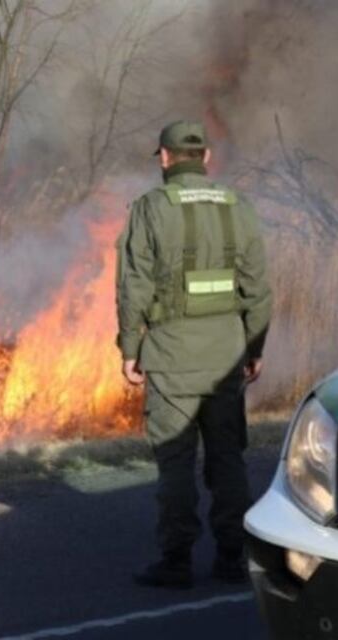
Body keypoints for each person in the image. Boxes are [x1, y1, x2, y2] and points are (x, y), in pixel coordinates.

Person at [115, 121, 272, 589]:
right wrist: (254, 347)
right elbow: (259, 289)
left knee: (175, 461)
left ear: (164, 158)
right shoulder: (238, 207)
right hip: (226, 356)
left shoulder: (150, 208)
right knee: (227, 459)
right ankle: (232, 557)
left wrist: (129, 349)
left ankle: (177, 560)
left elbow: (133, 286)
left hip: (170, 358)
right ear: (205, 157)